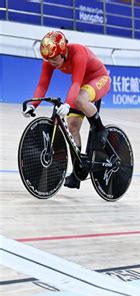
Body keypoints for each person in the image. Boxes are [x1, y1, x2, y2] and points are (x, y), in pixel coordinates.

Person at [23, 30, 110, 189]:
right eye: (48, 59)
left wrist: (68, 104)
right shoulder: (50, 59)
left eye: (55, 59)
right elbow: (43, 84)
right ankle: (78, 173)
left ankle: (100, 129)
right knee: (73, 127)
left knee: (79, 98)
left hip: (99, 78)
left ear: (63, 52)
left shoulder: (78, 52)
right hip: (83, 83)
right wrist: (32, 105)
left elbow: (76, 84)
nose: (52, 62)